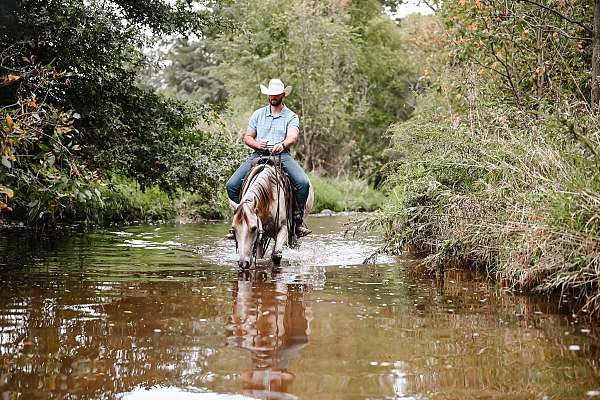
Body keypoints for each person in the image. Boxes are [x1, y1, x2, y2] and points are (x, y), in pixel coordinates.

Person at [226, 78, 311, 237]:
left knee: (303, 183)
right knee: (231, 185)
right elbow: (248, 137)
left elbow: (293, 137)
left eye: (276, 94)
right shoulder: (258, 114)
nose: (273, 97)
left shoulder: (291, 116)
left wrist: (283, 144)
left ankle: (297, 220)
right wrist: (257, 144)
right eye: (271, 94)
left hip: (281, 155)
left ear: (283, 95)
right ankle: (241, 218)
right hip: (259, 155)